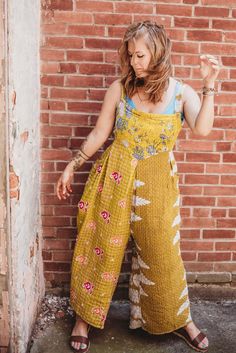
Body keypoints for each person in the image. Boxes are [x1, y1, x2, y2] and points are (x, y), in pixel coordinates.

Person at [56, 21, 220, 353]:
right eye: (130, 55)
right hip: (114, 175)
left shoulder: (180, 93)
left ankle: (179, 319)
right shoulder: (119, 89)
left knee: (164, 254)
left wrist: (209, 85)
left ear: (159, 52)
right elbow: (100, 134)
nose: (134, 62)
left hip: (158, 181)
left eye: (141, 55)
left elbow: (202, 129)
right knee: (99, 247)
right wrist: (72, 167)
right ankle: (83, 319)